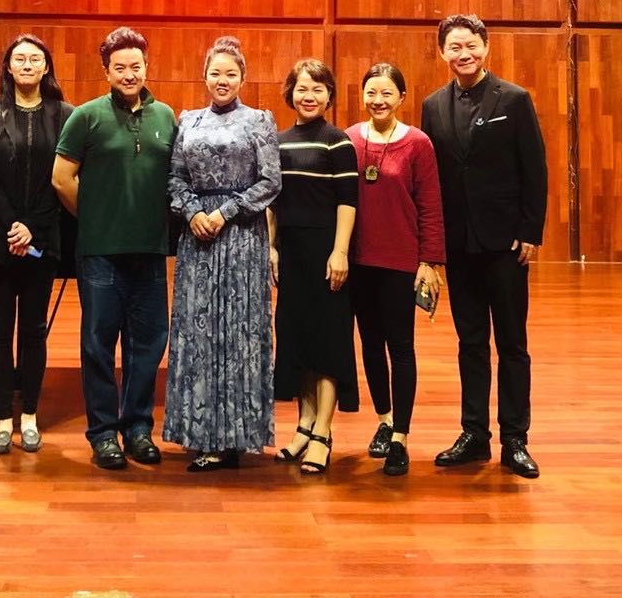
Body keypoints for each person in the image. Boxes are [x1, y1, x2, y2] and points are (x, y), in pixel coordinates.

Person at [420, 14, 548, 480]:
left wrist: (531, 231)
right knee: (470, 342)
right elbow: (432, 181)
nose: (464, 54)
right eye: (454, 47)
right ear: (442, 52)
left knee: (512, 343)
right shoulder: (433, 106)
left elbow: (534, 168)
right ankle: (474, 434)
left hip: (506, 243)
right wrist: (432, 246)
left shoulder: (513, 99)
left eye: (471, 45)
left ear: (486, 47)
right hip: (459, 245)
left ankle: (515, 438)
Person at [52, 26, 177, 471]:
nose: (129, 74)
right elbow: (61, 178)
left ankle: (138, 428)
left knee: (148, 344)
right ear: (106, 71)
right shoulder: (86, 116)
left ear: (146, 67)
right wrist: (95, 217)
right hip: (100, 251)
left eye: (135, 66)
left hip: (150, 251)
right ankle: (103, 433)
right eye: (119, 67)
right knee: (98, 344)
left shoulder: (166, 116)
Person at [164, 36, 282, 472]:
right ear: (204, 76)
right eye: (216, 72)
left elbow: (270, 181)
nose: (223, 80)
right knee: (198, 334)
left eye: (231, 73)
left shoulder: (260, 121)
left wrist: (225, 212)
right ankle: (199, 433)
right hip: (197, 238)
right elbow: (175, 178)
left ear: (243, 78)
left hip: (242, 238)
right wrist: (193, 212)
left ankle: (235, 436)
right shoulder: (188, 120)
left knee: (238, 334)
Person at [0, 33, 73, 455]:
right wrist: (13, 225)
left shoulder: (64, 115)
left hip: (42, 238)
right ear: (9, 67)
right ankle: (1, 417)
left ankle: (29, 414)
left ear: (46, 67)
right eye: (20, 59)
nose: (27, 65)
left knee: (33, 331)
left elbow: (62, 178)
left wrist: (31, 227)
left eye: (35, 59)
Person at [346, 62, 445, 478]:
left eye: (387, 93)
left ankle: (401, 437)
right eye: (371, 92)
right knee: (370, 345)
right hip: (358, 261)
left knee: (400, 347)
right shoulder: (350, 139)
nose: (378, 100)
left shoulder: (418, 143)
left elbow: (430, 206)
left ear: (401, 98)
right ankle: (384, 420)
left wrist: (430, 261)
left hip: (401, 262)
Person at [269, 58, 359, 476]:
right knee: (298, 340)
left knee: (327, 343)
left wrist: (340, 252)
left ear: (329, 95)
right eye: (302, 88)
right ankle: (304, 425)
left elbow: (347, 202)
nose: (309, 96)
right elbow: (273, 202)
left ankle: (323, 431)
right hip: (291, 253)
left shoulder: (337, 141)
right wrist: (271, 247)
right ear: (290, 93)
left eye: (318, 89)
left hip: (326, 252)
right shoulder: (278, 141)